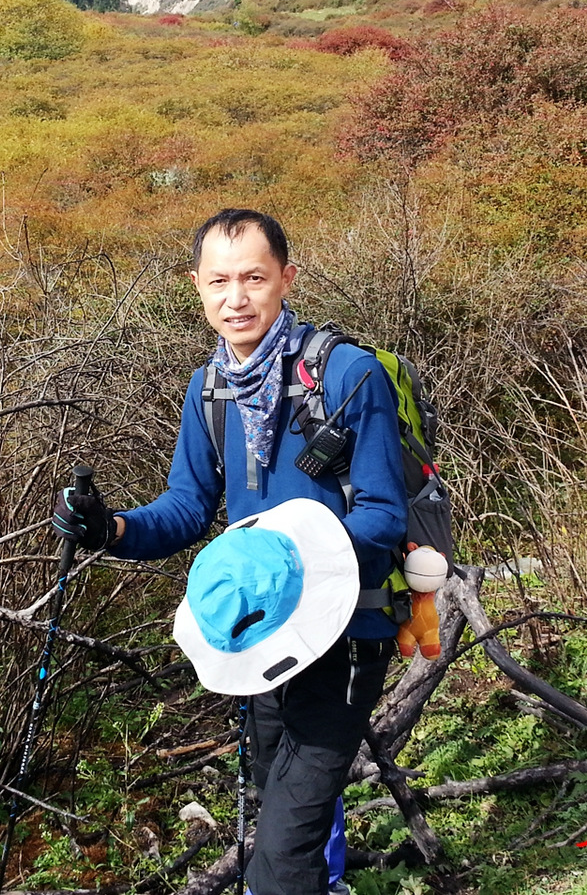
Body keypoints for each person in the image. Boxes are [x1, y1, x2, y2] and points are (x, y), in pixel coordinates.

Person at [52, 208, 409, 895]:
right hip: (260, 634)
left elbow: (383, 514)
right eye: (219, 281)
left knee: (282, 847)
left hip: (347, 629)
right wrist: (108, 529)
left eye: (254, 277)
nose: (236, 297)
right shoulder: (209, 388)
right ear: (197, 286)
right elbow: (187, 508)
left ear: (287, 278)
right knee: (285, 808)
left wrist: (294, 564)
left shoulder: (349, 375)